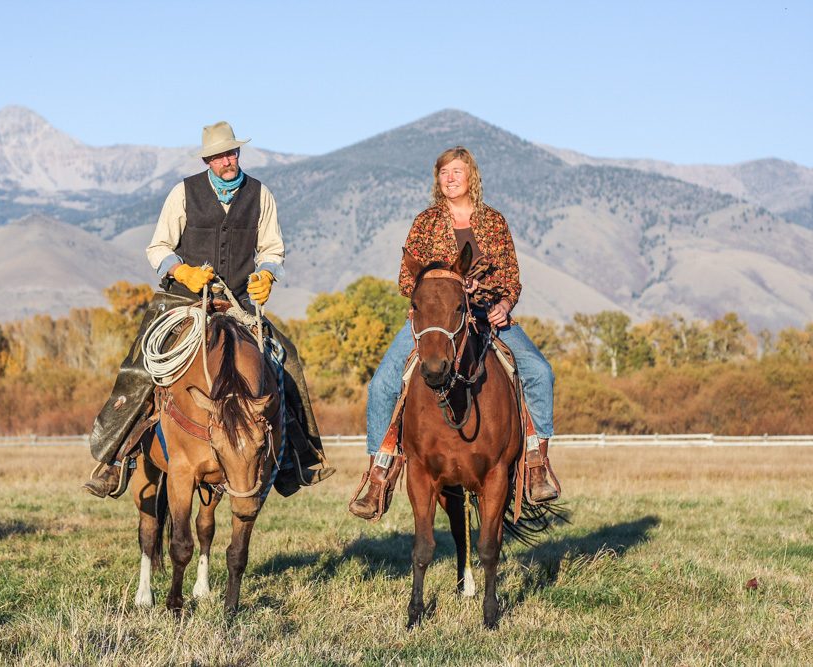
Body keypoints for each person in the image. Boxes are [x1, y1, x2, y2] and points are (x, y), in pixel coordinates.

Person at [83, 121, 333, 498]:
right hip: (183, 299)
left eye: (232, 153)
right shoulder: (183, 193)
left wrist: (266, 274)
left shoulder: (260, 194)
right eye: (219, 156)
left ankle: (301, 457)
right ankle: (115, 458)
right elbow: (158, 247)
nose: (227, 160)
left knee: (286, 357)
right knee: (141, 364)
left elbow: (272, 249)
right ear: (208, 160)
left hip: (238, 304)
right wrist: (180, 269)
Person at [349, 146, 559, 519]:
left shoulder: (494, 221)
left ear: (470, 177)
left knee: (539, 371)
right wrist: (443, 291)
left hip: (486, 315)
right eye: (444, 173)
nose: (450, 178)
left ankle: (535, 461)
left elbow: (511, 277)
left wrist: (504, 305)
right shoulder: (426, 222)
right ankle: (379, 473)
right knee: (382, 384)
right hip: (435, 320)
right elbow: (406, 278)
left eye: (457, 172)